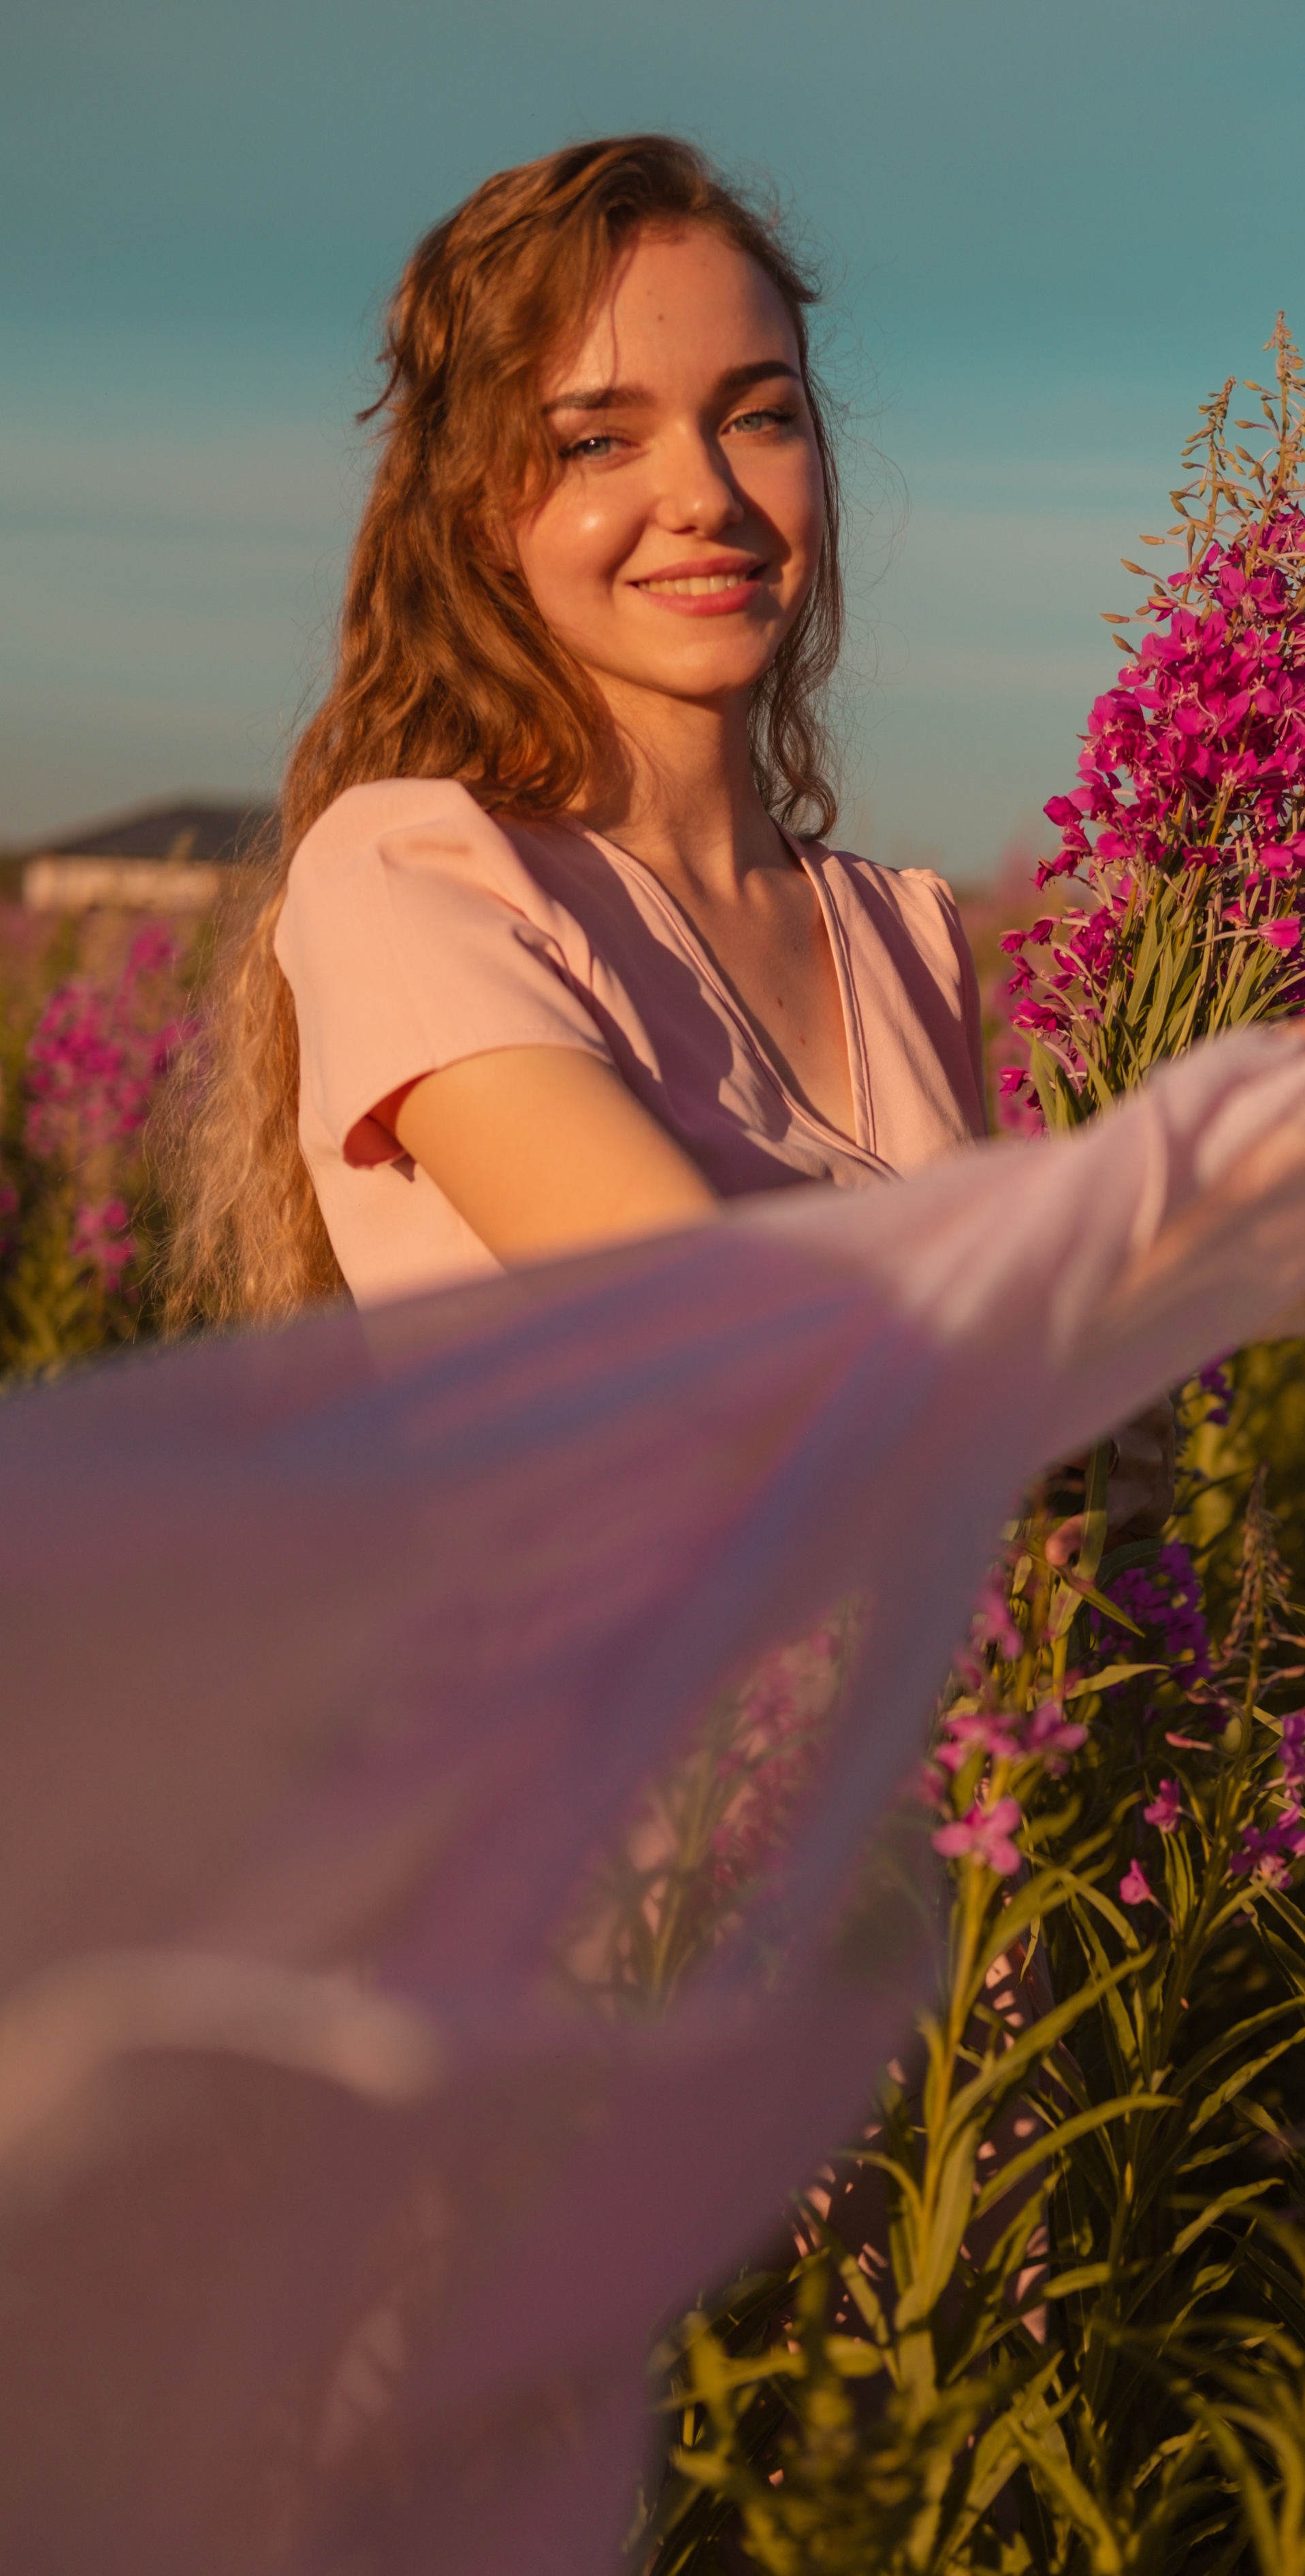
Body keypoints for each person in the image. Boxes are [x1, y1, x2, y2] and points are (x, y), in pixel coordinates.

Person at [163, 131, 1174, 1546]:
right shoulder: (415, 879)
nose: (704, 492)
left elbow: (1059, 1512)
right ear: (474, 515)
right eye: (597, 440)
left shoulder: (897, 930)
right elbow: (713, 1370)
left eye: (757, 416)